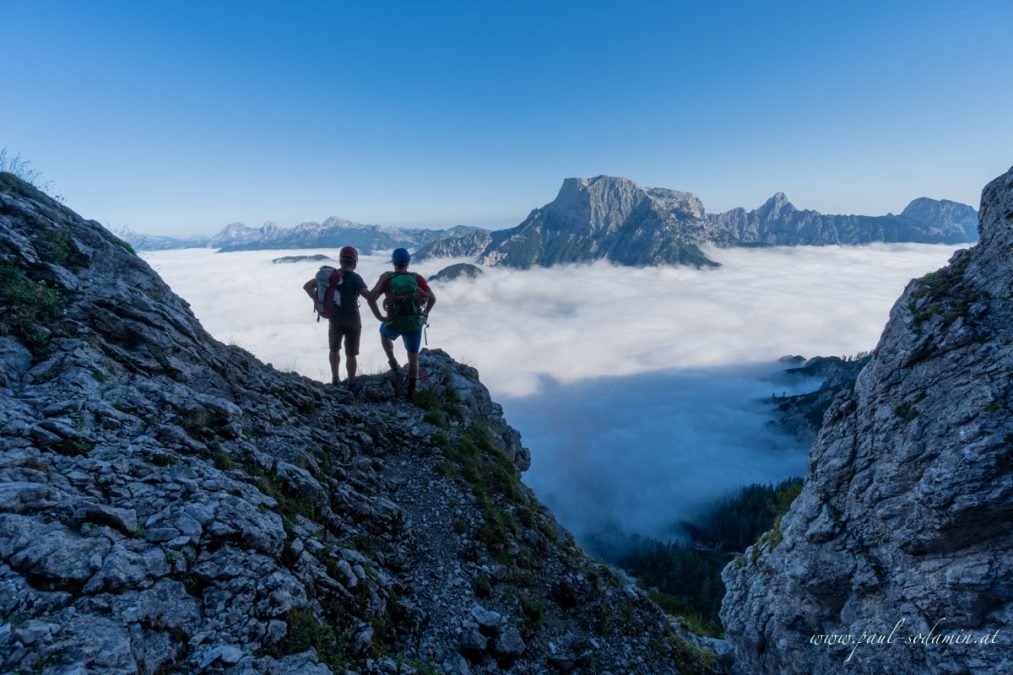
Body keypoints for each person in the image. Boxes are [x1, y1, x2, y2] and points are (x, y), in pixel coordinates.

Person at [366, 247, 436, 400]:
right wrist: (424, 314)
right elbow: (433, 298)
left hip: (394, 322)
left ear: (393, 263)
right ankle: (411, 392)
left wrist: (380, 318)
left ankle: (392, 361)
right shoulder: (416, 278)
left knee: (383, 333)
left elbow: (371, 299)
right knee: (413, 358)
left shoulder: (388, 279)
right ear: (408, 263)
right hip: (413, 323)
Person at [303, 246, 370, 387]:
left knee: (334, 350)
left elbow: (307, 286)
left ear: (340, 260)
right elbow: (369, 296)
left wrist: (316, 299)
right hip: (353, 321)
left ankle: (335, 379)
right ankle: (351, 384)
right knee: (351, 354)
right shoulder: (356, 278)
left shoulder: (331, 276)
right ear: (355, 262)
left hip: (335, 320)